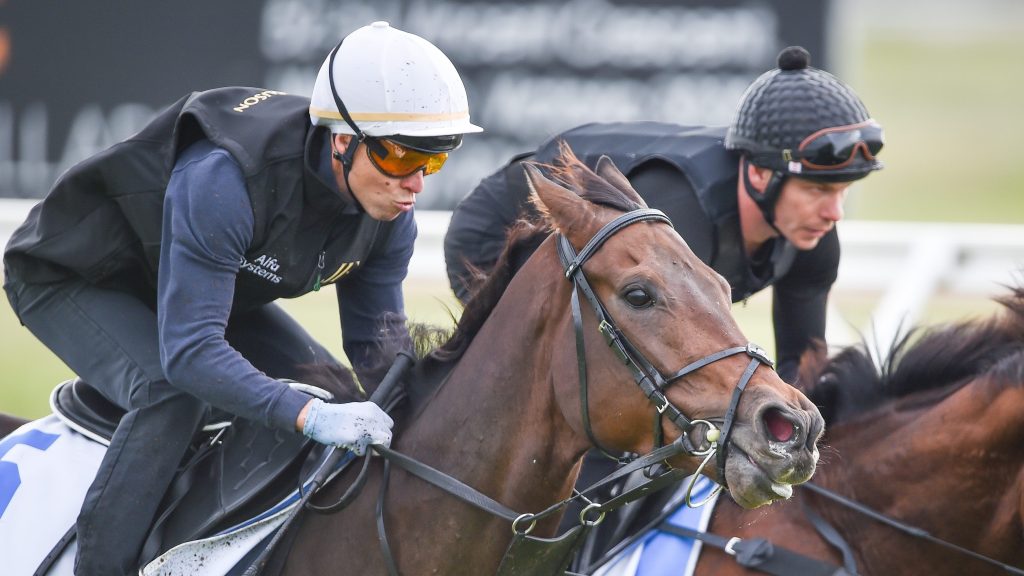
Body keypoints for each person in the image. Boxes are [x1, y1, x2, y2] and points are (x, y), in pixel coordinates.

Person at [3, 21, 481, 575]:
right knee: (168, 394)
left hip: (189, 285)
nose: (417, 184)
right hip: (77, 276)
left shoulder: (389, 213)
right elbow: (189, 354)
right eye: (401, 157)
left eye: (435, 159)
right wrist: (304, 415)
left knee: (335, 388)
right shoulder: (223, 175)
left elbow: (378, 349)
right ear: (343, 141)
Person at [444, 45, 883, 384]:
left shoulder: (813, 232)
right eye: (818, 190)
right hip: (498, 234)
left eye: (844, 190)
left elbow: (802, 372)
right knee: (604, 401)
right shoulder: (681, 214)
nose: (834, 212)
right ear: (761, 174)